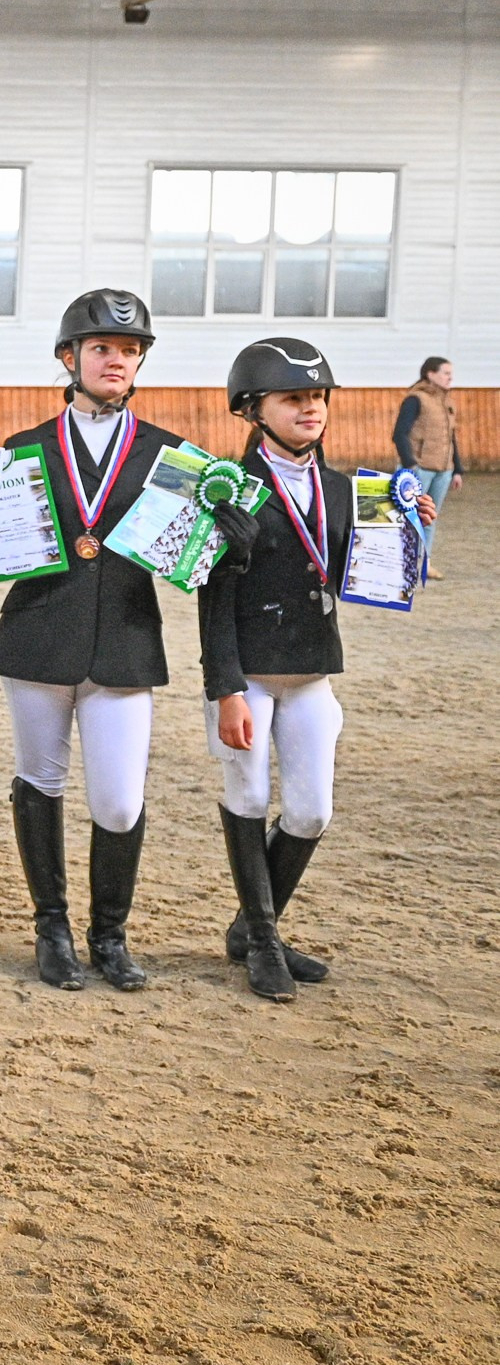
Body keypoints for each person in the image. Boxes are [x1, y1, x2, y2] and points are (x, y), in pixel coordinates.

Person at [203, 338, 430, 1003]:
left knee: (310, 812)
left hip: (310, 669)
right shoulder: (229, 489)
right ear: (254, 409)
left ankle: (250, 927)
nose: (311, 409)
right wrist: (225, 690)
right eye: (293, 398)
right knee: (249, 798)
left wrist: (410, 529)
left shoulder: (342, 489)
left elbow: (361, 572)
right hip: (248, 672)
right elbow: (212, 601)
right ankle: (264, 941)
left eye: (317, 397)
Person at [0, 290, 183, 992]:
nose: (116, 361)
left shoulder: (169, 453)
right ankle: (52, 928)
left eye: (129, 350)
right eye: (101, 348)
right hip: (39, 634)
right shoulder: (23, 447)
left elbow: (186, 554)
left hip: (125, 638)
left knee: (120, 801)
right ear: (69, 357)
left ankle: (110, 933)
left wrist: (227, 538)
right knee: (40, 780)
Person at [393, 356, 459, 578]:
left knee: (430, 518)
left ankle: (424, 563)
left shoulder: (448, 403)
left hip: (443, 470)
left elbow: (451, 438)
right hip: (419, 469)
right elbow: (399, 433)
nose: (450, 378)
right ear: (431, 374)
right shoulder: (415, 400)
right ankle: (401, 563)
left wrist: (457, 469)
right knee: (407, 518)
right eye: (446, 373)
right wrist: (410, 464)